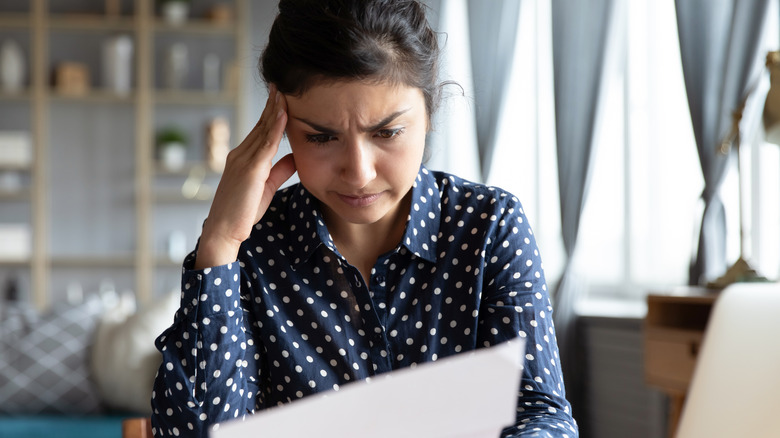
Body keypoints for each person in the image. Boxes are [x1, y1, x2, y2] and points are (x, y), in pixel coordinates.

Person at [151, 0, 578, 437]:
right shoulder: (252, 249)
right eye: (321, 136)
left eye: (387, 132)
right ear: (277, 127)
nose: (359, 172)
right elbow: (197, 432)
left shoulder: (488, 227)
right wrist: (220, 242)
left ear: (429, 112)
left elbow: (538, 414)